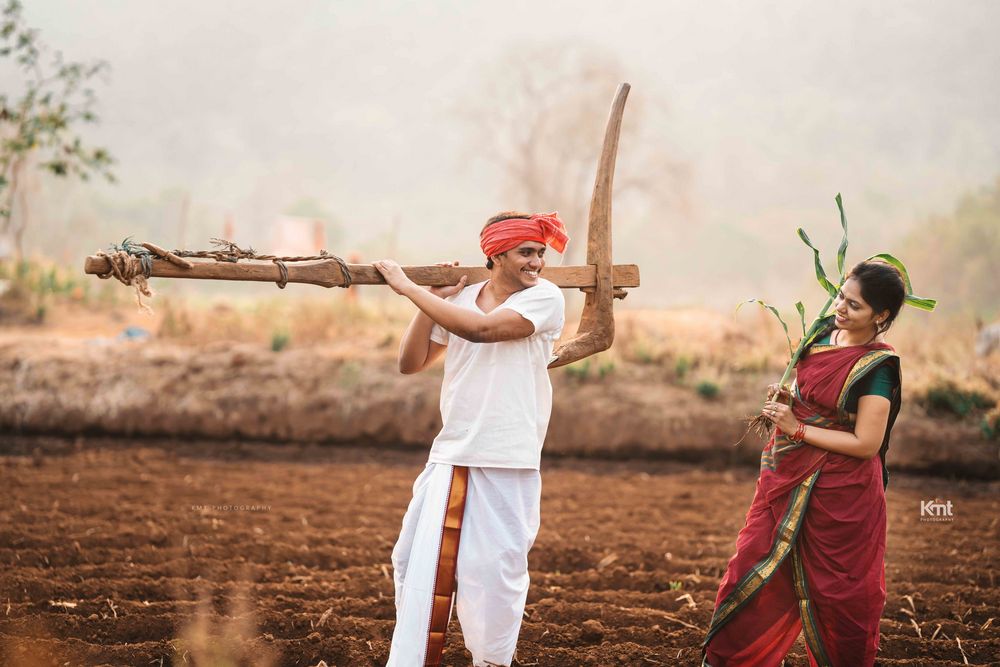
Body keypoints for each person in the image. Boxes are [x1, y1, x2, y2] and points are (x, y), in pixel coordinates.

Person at [372, 212, 568, 667]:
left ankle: (491, 662)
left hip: (508, 453)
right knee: (411, 562)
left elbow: (481, 331)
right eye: (526, 252)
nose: (537, 261)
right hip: (452, 450)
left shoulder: (545, 298)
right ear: (496, 254)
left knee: (495, 572)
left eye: (540, 252)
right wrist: (431, 301)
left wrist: (408, 288)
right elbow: (411, 362)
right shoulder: (460, 299)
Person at [703, 260, 907, 667]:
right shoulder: (821, 336)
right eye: (841, 296)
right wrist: (788, 398)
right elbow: (814, 398)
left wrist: (797, 428)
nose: (841, 308)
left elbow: (867, 443)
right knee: (750, 568)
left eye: (855, 305)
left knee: (840, 597)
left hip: (841, 497)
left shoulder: (877, 368)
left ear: (880, 316)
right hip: (785, 478)